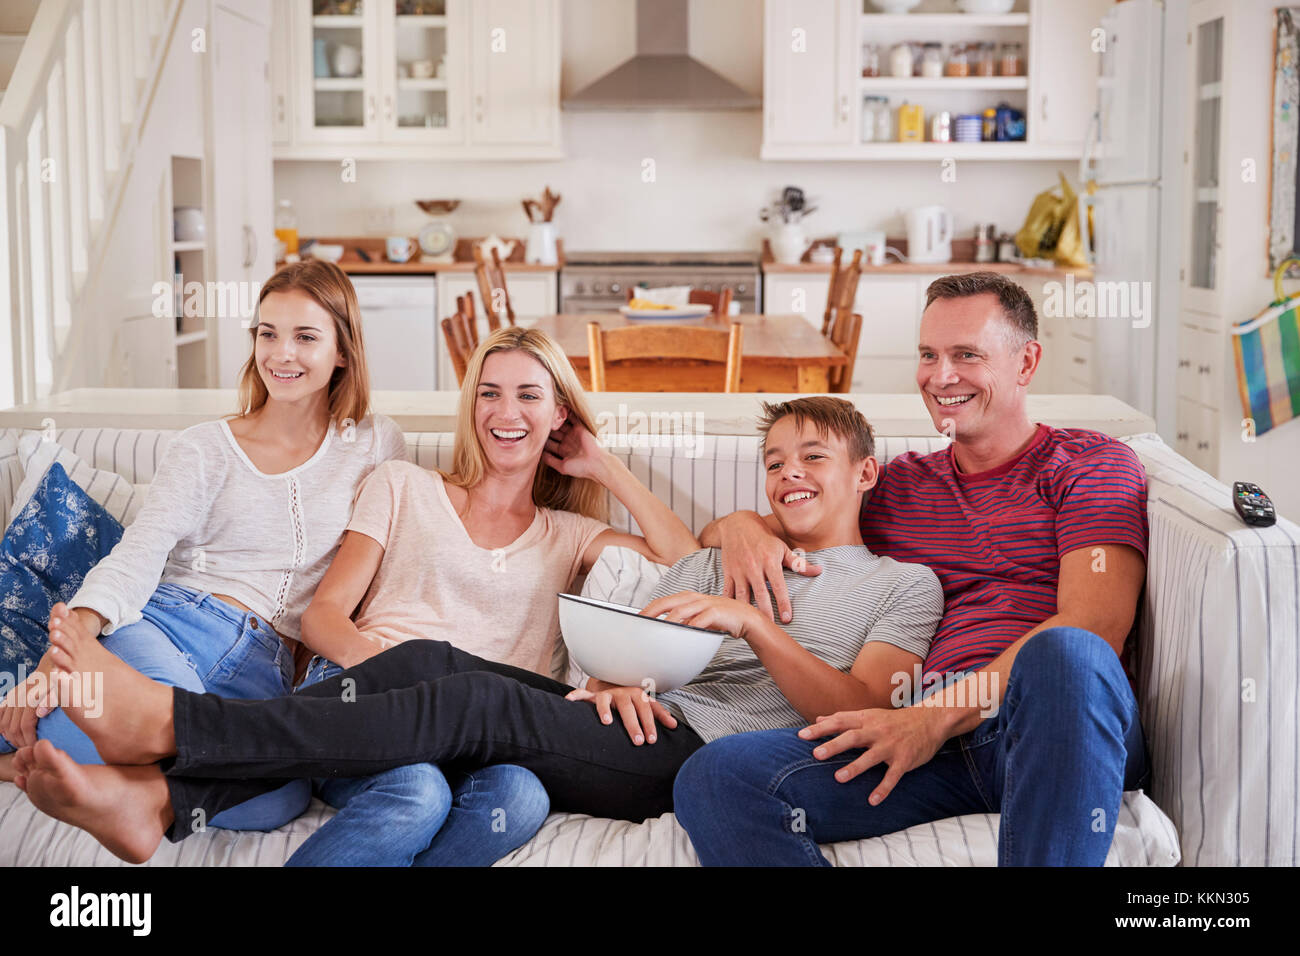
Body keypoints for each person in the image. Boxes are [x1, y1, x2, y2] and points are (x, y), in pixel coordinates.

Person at [14, 397, 944, 866]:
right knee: (423, 660)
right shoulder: (731, 552)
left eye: (812, 459)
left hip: (704, 754)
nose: (787, 477)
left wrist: (750, 621)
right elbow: (655, 620)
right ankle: (165, 801)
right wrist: (624, 675)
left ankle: (174, 734)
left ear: (866, 475)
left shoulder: (903, 585)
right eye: (774, 461)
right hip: (634, 718)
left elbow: (862, 705)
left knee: (465, 699)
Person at [671, 271, 1152, 866]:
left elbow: (1093, 625)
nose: (940, 376)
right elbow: (777, 521)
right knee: (718, 774)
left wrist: (929, 717)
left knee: (1067, 657)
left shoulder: (1089, 465)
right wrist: (741, 523)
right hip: (932, 749)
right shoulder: (900, 484)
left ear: (1026, 362)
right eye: (928, 355)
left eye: (966, 355)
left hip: (1049, 727)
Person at [0, 260, 412, 835]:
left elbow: (397, 548)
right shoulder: (203, 448)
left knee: (281, 799)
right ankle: (84, 690)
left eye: (305, 337)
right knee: (172, 710)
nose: (281, 354)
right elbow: (140, 551)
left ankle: (113, 786)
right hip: (170, 624)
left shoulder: (374, 442)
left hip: (265, 668)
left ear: (343, 351)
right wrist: (74, 638)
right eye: (267, 334)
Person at [283, 326, 701, 865]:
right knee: (418, 792)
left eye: (529, 395)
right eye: (490, 393)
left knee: (521, 796)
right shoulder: (402, 485)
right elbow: (322, 617)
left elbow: (686, 564)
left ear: (559, 416)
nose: (507, 413)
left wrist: (604, 465)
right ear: (472, 404)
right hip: (372, 699)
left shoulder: (568, 534)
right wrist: (401, 677)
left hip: (477, 739)